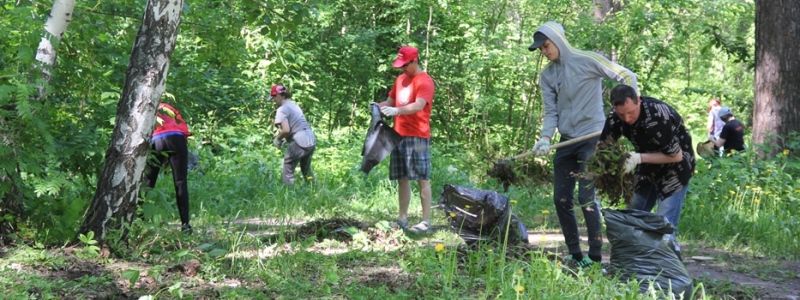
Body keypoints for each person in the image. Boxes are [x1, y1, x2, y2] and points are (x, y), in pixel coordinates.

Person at [528, 21, 639, 267]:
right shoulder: (547, 75)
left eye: (546, 46)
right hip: (567, 140)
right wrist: (546, 137)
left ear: (558, 39)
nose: (544, 52)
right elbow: (550, 112)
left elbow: (625, 75)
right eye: (541, 50)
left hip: (593, 138)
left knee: (587, 197)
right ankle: (576, 255)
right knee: (561, 199)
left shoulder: (588, 60)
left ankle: (596, 256)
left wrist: (631, 108)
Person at [598, 84, 695, 259]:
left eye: (631, 113)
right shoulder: (615, 118)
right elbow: (604, 147)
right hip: (648, 168)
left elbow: (675, 156)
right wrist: (607, 166)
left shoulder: (658, 117)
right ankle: (632, 262)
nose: (627, 119)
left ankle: (670, 270)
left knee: (663, 223)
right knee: (635, 213)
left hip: (675, 169)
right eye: (622, 114)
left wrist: (638, 158)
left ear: (638, 102)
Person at [377, 46, 435, 234]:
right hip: (398, 135)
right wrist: (379, 107)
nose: (402, 69)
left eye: (405, 65)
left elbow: (419, 105)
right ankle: (402, 218)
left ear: (414, 61)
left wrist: (398, 111)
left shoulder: (424, 81)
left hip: (418, 136)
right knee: (402, 178)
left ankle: (425, 221)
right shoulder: (400, 79)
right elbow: (390, 102)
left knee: (422, 178)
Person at [144, 102, 193, 233]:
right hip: (177, 138)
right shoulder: (168, 107)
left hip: (156, 139)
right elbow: (183, 129)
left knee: (148, 183)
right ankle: (185, 225)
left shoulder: (144, 107)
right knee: (180, 182)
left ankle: (139, 220)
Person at [270, 84, 317, 185]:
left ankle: (288, 194)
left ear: (281, 95)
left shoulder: (281, 109)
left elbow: (286, 130)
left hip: (300, 141)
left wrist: (277, 139)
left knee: (288, 167)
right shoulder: (293, 105)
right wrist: (284, 139)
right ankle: (314, 190)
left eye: (274, 96)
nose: (273, 99)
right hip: (310, 139)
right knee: (306, 169)